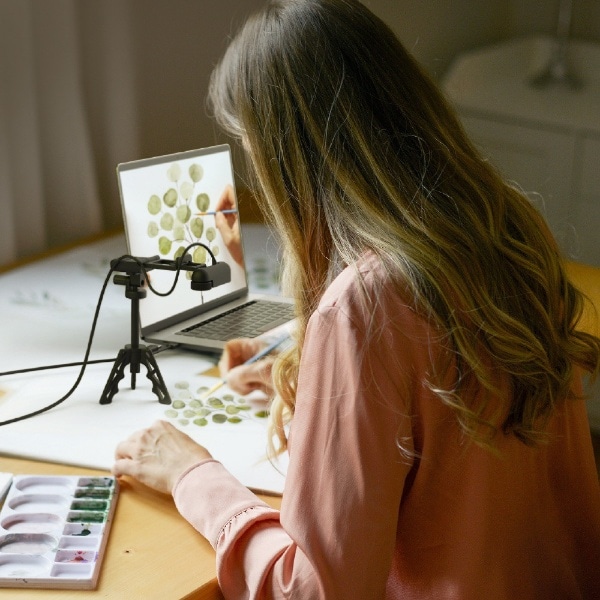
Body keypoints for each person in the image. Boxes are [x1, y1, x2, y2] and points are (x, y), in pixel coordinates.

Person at [113, 1, 600, 598]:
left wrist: (194, 477)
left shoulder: (364, 305)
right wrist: (319, 390)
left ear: (287, 158)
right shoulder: (511, 231)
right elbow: (453, 429)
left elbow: (319, 590)